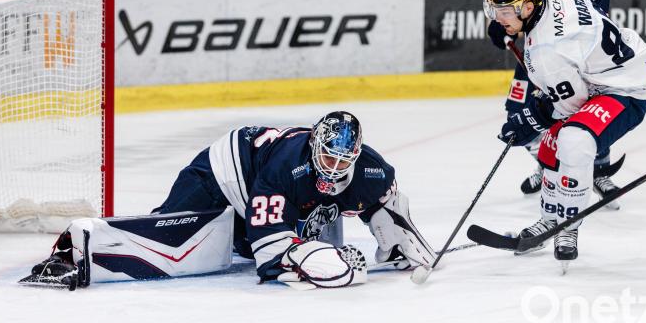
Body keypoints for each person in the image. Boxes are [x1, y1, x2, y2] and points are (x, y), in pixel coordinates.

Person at [23, 111, 435, 289]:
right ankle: (77, 249)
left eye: (343, 160)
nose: (334, 168)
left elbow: (386, 205)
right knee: (173, 236)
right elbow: (270, 261)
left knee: (248, 241)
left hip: (269, 191)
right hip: (223, 174)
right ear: (314, 146)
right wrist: (318, 261)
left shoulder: (371, 170)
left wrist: (398, 240)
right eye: (327, 157)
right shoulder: (284, 170)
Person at [483, 0, 646, 269]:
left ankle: (567, 225)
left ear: (528, 7)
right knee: (550, 146)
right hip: (606, 70)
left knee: (574, 140)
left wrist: (530, 119)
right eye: (494, 10)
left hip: (627, 86)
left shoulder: (548, 53)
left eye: (504, 11)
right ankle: (549, 219)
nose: (497, 18)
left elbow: (569, 107)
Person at [487, 0, 616, 202]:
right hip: (535, 57)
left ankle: (599, 170)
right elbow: (504, 0)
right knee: (517, 114)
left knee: (583, 112)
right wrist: (498, 24)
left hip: (573, 63)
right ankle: (548, 167)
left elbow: (597, 29)